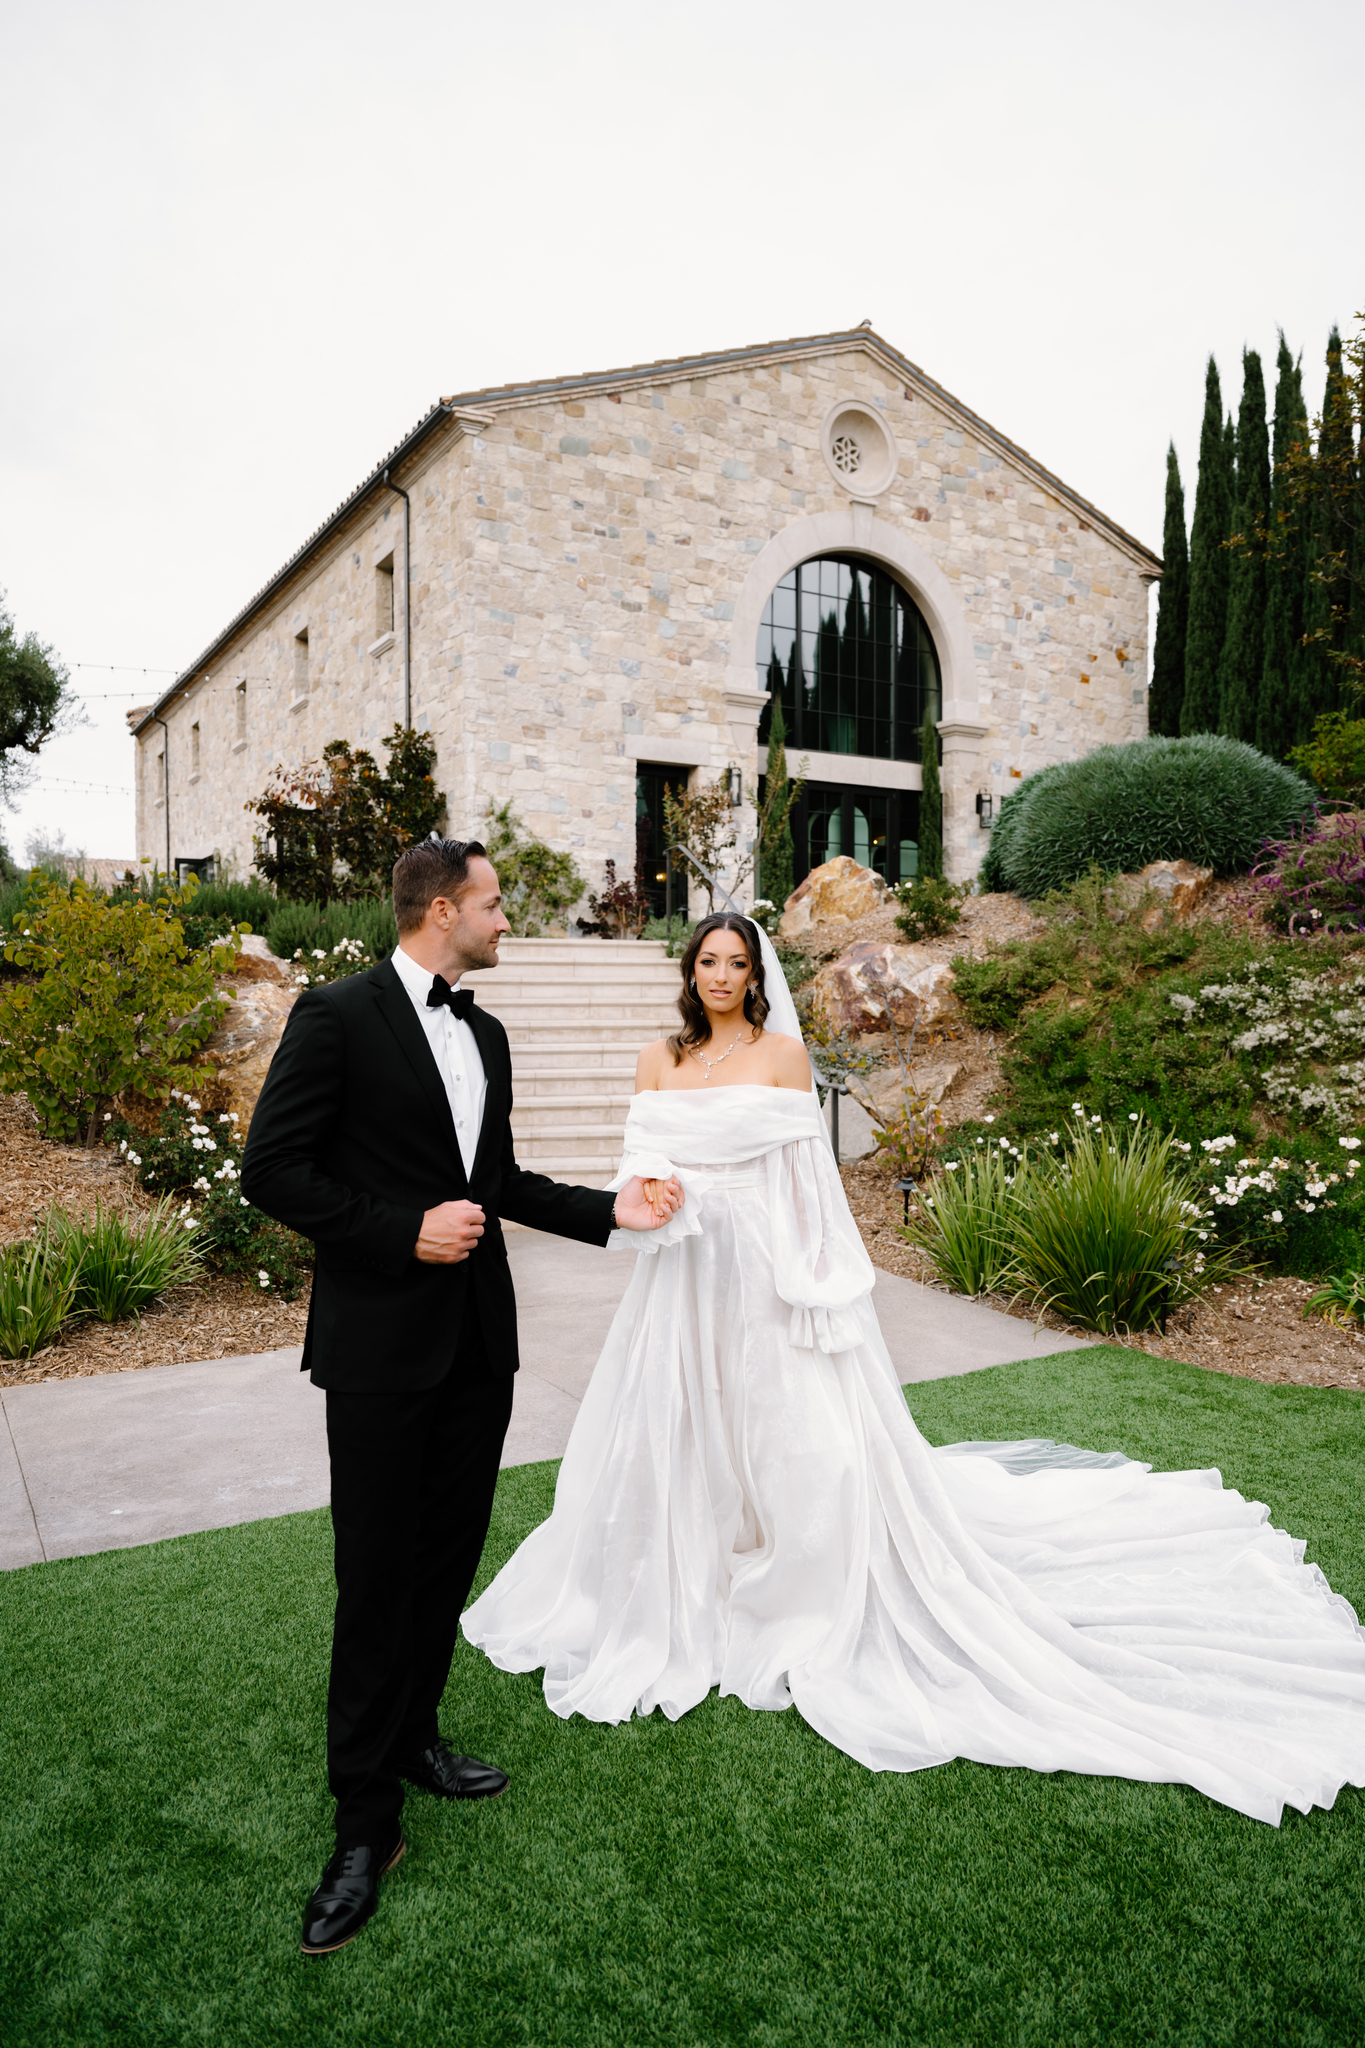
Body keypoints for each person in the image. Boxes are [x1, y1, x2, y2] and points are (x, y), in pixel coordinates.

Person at [464, 911, 1365, 1827]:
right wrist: (648, 1189)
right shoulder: (657, 1057)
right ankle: (688, 1555)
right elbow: (640, 1155)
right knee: (680, 1414)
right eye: (708, 962)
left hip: (764, 1266)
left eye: (737, 963)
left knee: (791, 1427)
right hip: (681, 1266)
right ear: (689, 970)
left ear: (754, 973)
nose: (722, 976)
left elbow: (805, 1187)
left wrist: (817, 1287)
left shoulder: (779, 1059)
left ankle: (791, 1567)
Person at [240, 838, 682, 1955]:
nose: (503, 921)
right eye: (493, 904)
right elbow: (273, 1168)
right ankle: (361, 1820)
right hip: (381, 1350)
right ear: (442, 909)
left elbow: (498, 1181)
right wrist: (404, 1231)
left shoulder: (484, 1030)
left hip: (480, 1349)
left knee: (445, 1558)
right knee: (375, 1576)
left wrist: (611, 1211)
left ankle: (419, 1733)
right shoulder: (335, 1014)